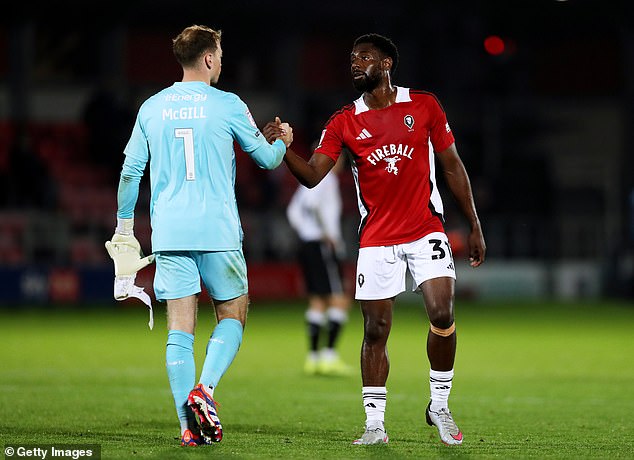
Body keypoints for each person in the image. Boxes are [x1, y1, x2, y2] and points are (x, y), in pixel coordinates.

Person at [264, 33, 485, 446]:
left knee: (442, 313)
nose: (353, 62)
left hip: (426, 230)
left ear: (385, 64)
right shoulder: (344, 121)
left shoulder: (424, 105)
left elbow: (453, 166)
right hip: (377, 239)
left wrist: (473, 224)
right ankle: (374, 424)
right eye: (350, 57)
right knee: (376, 329)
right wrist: (281, 149)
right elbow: (312, 176)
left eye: (363, 56)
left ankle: (438, 404)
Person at [105, 25, 293, 447]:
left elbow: (130, 172)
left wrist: (122, 226)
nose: (222, 61)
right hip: (218, 230)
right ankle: (204, 391)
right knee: (233, 313)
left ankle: (187, 428)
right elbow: (265, 160)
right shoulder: (228, 104)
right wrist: (282, 143)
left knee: (180, 329)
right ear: (208, 57)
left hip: (170, 232)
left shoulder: (151, 108)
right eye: (221, 53)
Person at [286, 150, 352, 376]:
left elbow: (293, 212)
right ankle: (329, 356)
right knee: (340, 299)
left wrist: (306, 232)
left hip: (307, 244)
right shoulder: (328, 178)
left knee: (317, 301)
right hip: (323, 245)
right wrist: (325, 233)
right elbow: (313, 206)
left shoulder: (306, 181)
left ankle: (313, 358)